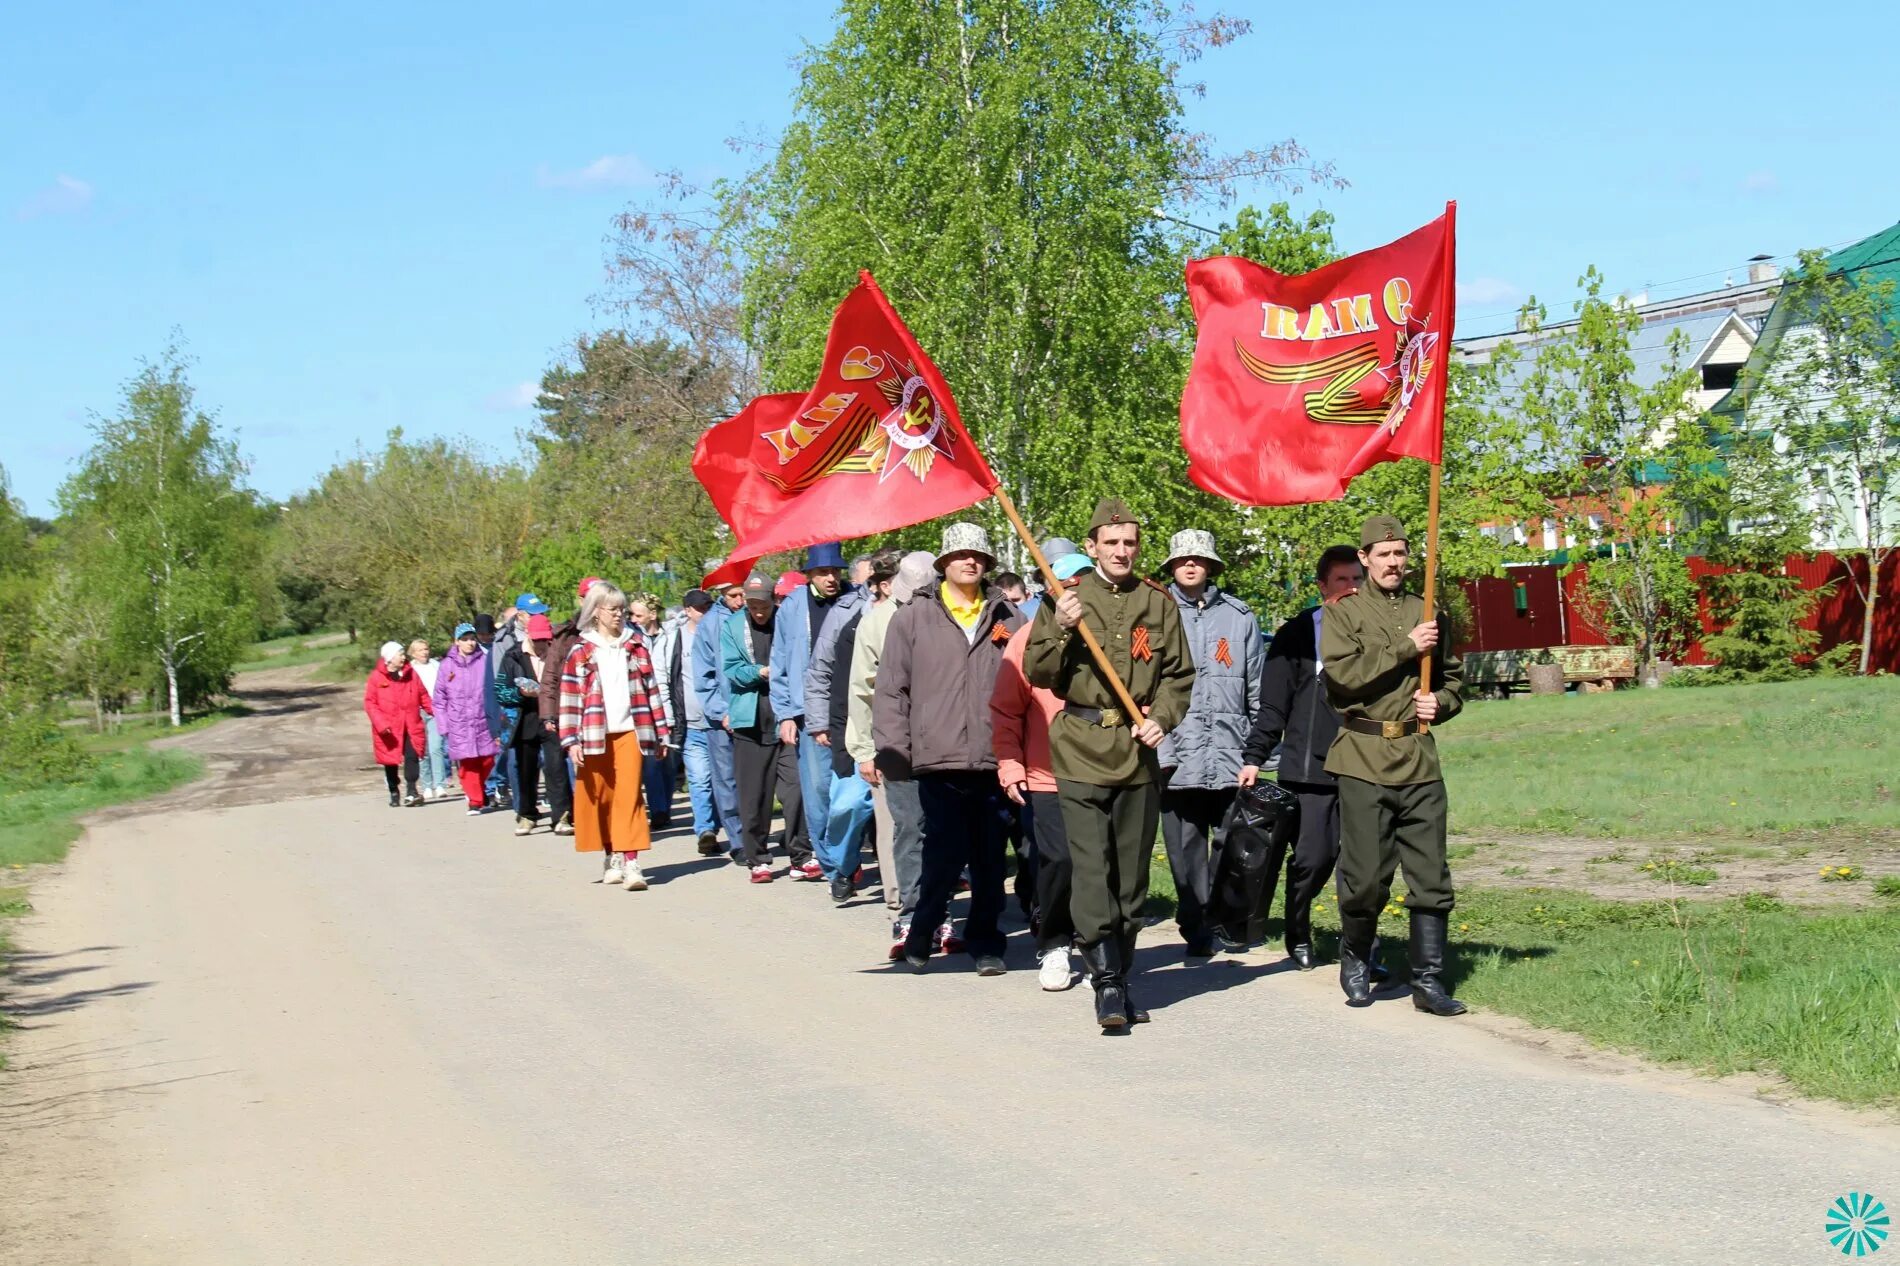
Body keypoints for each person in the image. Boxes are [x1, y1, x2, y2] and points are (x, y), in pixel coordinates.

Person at [1025, 498, 1195, 1030]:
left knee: (1132, 878)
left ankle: (1118, 966)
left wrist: (1162, 719)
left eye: (1130, 543)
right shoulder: (1066, 599)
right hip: (1079, 749)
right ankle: (1107, 983)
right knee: (1093, 869)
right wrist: (1061, 628)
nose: (1122, 551)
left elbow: (1178, 675)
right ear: (1092, 546)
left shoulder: (1157, 602)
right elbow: (1038, 671)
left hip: (1137, 751)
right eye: (1112, 543)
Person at [1321, 515, 1467, 1016]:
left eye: (1401, 553)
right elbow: (1343, 679)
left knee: (1430, 876)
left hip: (1419, 759)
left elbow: (1452, 681)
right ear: (1364, 559)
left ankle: (1428, 980)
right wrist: (1408, 646)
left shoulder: (1427, 611)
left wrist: (1441, 705)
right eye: (1383, 555)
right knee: (1365, 878)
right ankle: (1357, 955)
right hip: (1363, 758)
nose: (1393, 563)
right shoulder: (1342, 613)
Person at [877, 523, 1023, 975]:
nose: (969, 561)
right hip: (935, 759)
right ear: (943, 563)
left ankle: (986, 943)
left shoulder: (1008, 618)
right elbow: (890, 691)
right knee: (940, 857)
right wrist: (893, 751)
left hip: (992, 758)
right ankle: (922, 930)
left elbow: (1026, 686)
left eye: (977, 555)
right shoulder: (912, 617)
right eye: (960, 554)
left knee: (988, 859)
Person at [1238, 544, 1366, 969]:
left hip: (1366, 765)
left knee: (1363, 866)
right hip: (1310, 768)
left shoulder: (1378, 631)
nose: (1351, 589)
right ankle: (1298, 928)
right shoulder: (1296, 635)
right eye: (1342, 580)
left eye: (1357, 580)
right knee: (1314, 859)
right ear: (1322, 586)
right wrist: (1255, 755)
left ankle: (1360, 950)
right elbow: (1273, 706)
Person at [1155, 529, 1265, 958]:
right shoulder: (1155, 612)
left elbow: (1256, 687)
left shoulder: (1239, 617)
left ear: (1211, 566)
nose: (1190, 565)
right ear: (1171, 566)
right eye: (1182, 559)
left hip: (1229, 750)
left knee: (1232, 843)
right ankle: (1195, 923)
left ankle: (1227, 921)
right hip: (1175, 750)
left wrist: (1257, 751)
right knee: (1184, 850)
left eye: (1198, 559)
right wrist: (1158, 747)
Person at [993, 549, 1095, 991]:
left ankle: (1099, 949)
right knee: (1059, 859)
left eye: (1081, 583)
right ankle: (1055, 943)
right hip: (1046, 773)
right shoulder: (1027, 639)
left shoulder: (1110, 637)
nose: (1073, 593)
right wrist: (1010, 763)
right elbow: (1006, 708)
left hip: (1103, 769)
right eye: (1064, 585)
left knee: (1100, 865)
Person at [846, 551, 947, 959]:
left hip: (945, 743)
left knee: (944, 830)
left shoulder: (949, 615)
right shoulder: (875, 624)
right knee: (909, 828)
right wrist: (865, 750)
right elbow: (860, 689)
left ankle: (941, 914)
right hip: (896, 744)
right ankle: (910, 912)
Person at [559, 581, 670, 891]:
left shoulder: (635, 645)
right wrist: (570, 741)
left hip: (631, 731)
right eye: (613, 609)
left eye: (623, 609)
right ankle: (612, 856)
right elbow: (569, 698)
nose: (620, 615)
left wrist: (661, 732)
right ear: (596, 612)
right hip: (593, 735)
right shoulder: (580, 651)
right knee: (603, 798)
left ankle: (633, 862)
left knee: (630, 796)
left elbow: (652, 691)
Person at [769, 543, 853, 883]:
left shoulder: (855, 599)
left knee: (851, 792)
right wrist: (785, 714)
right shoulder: (792, 606)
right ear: (809, 575)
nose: (831, 577)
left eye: (835, 570)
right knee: (818, 791)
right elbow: (780, 662)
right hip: (809, 712)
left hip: (851, 708)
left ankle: (846, 853)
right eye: (823, 572)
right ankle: (833, 865)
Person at [724, 572, 814, 883]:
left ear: (774, 601)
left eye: (763, 605)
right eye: (751, 605)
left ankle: (800, 855)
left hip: (784, 720)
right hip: (750, 721)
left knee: (796, 792)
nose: (758, 611)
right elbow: (731, 670)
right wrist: (761, 672)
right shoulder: (733, 627)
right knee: (754, 796)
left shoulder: (785, 621)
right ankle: (758, 859)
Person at [805, 553, 876, 898]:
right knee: (849, 804)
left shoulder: (913, 609)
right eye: (872, 580)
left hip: (901, 725)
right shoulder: (844, 612)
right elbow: (819, 670)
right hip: (851, 723)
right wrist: (818, 721)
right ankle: (843, 864)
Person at [536, 578, 600, 837]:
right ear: (582, 601)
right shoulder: (566, 636)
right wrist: (549, 714)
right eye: (591, 598)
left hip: (608, 711)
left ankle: (605, 818)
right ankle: (574, 816)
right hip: (573, 710)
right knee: (572, 766)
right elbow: (550, 677)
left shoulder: (620, 629)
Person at [692, 581, 748, 858]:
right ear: (722, 596)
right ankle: (739, 840)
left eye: (743, 594)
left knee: (755, 779)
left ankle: (755, 832)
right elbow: (704, 675)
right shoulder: (709, 624)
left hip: (753, 712)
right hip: (721, 719)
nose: (740, 600)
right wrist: (720, 711)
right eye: (734, 596)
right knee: (726, 780)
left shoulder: (757, 615)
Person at [434, 622, 502, 814]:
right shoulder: (446, 665)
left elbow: (494, 689)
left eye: (472, 639)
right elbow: (439, 698)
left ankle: (476, 790)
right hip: (458, 722)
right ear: (457, 642)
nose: (470, 643)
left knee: (487, 759)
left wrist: (497, 716)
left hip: (483, 720)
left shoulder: (485, 661)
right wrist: (443, 724)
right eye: (465, 640)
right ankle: (475, 801)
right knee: (468, 762)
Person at [500, 614, 557, 836]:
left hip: (551, 716)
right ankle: (527, 814)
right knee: (526, 768)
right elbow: (500, 690)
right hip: (524, 716)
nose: (542, 644)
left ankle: (561, 815)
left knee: (555, 767)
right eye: (538, 640)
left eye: (545, 639)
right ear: (529, 637)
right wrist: (518, 693)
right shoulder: (513, 655)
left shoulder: (555, 653)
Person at [630, 592, 682, 832]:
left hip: (669, 705)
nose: (633, 618)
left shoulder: (671, 635)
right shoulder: (631, 637)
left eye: (638, 614)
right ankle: (659, 810)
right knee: (651, 762)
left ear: (653, 614)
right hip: (644, 707)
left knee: (669, 763)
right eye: (632, 614)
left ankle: (665, 805)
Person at [676, 589, 721, 853]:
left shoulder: (719, 631)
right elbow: (664, 677)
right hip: (692, 724)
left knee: (723, 779)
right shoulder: (676, 639)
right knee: (700, 778)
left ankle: (725, 822)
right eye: (700, 608)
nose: (706, 612)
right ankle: (705, 829)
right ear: (687, 611)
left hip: (720, 721)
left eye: (708, 607)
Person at [364, 640, 431, 807]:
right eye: (399, 654)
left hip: (410, 723)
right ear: (389, 659)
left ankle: (411, 790)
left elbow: (423, 695)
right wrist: (380, 723)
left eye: (402, 654)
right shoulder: (376, 677)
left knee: (412, 755)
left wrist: (437, 712)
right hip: (388, 728)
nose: (403, 657)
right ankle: (394, 790)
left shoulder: (411, 674)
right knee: (390, 761)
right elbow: (370, 703)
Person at [407, 638, 450, 800]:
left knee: (436, 747)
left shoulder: (436, 666)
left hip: (434, 710)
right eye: (420, 650)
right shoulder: (409, 669)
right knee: (422, 750)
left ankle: (439, 784)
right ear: (413, 653)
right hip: (416, 712)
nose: (424, 652)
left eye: (426, 649)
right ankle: (426, 785)